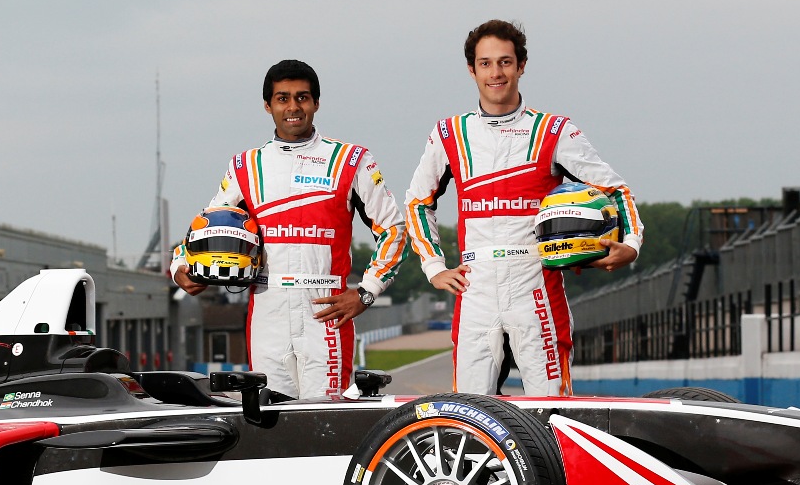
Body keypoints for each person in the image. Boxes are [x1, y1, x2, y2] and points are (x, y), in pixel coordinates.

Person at [405, 20, 642, 396]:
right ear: (472, 70)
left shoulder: (554, 130)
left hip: (536, 281)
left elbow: (615, 188)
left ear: (521, 65)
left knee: (552, 409)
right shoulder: (448, 134)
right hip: (474, 283)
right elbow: (417, 203)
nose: (495, 73)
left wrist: (630, 243)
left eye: (504, 62)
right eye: (485, 63)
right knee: (467, 411)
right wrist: (433, 267)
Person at [173, 60, 407, 399]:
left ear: (316, 103)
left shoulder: (351, 160)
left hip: (325, 310)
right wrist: (180, 266)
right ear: (268, 105)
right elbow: (208, 225)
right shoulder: (246, 166)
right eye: (283, 98)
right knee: (269, 423)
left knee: (327, 423)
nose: (293, 107)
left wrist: (367, 291)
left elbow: (394, 230)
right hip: (267, 311)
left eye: (302, 98)